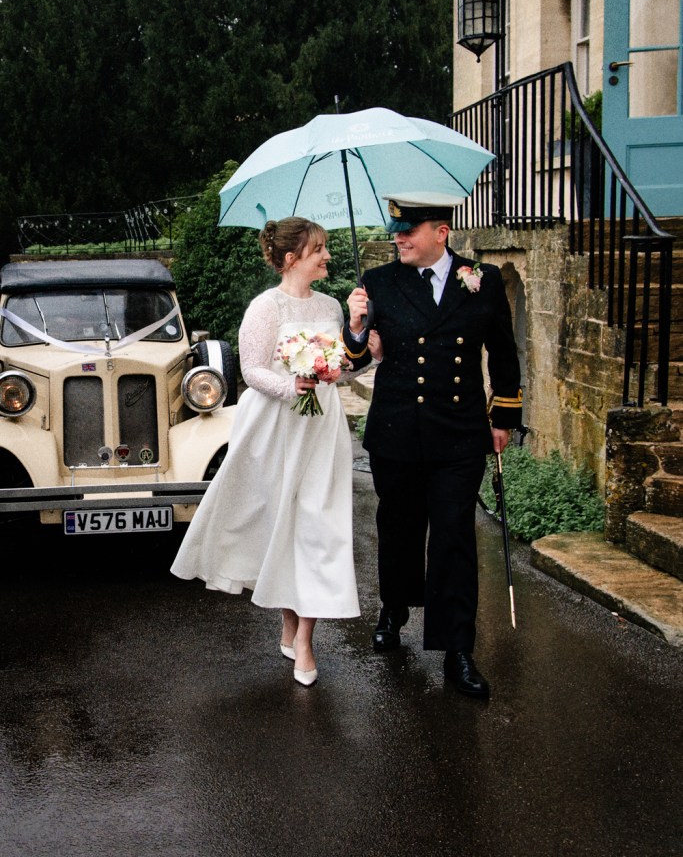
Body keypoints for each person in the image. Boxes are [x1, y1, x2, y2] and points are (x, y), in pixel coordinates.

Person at [344, 194, 522, 699]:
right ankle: (394, 609)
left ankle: (457, 649)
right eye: (396, 229)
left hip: (459, 434)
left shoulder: (481, 281)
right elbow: (355, 358)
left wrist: (503, 415)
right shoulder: (378, 283)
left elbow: (504, 353)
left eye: (409, 229)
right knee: (399, 529)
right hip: (397, 433)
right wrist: (355, 325)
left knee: (454, 538)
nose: (398, 237)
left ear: (441, 232)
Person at [172, 217, 360, 687]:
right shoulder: (265, 307)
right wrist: (290, 384)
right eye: (319, 248)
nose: (328, 256)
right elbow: (253, 371)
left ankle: (304, 641)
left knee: (319, 525)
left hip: (321, 429)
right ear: (293, 256)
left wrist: (358, 337)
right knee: (283, 523)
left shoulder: (333, 306)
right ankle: (288, 615)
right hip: (276, 428)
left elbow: (342, 371)